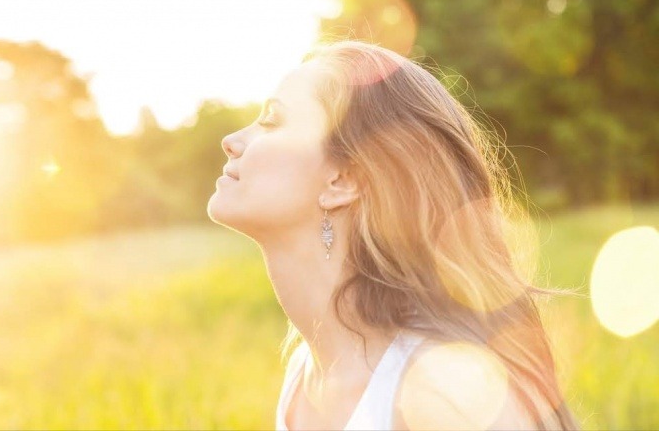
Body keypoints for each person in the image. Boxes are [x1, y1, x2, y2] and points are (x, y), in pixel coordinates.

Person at [207, 40, 580, 430]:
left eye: (271, 121)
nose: (231, 141)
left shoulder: (448, 398)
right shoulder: (305, 375)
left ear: (342, 180)